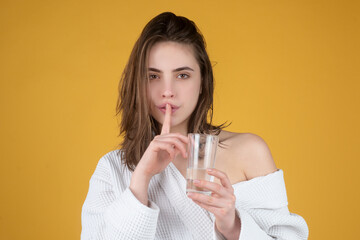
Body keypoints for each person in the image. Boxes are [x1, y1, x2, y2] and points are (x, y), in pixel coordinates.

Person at [81, 12, 309, 240]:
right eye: (153, 76)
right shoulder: (112, 169)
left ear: (202, 81)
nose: (167, 90)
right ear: (138, 83)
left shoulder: (249, 151)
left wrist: (233, 226)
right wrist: (141, 180)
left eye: (182, 75)